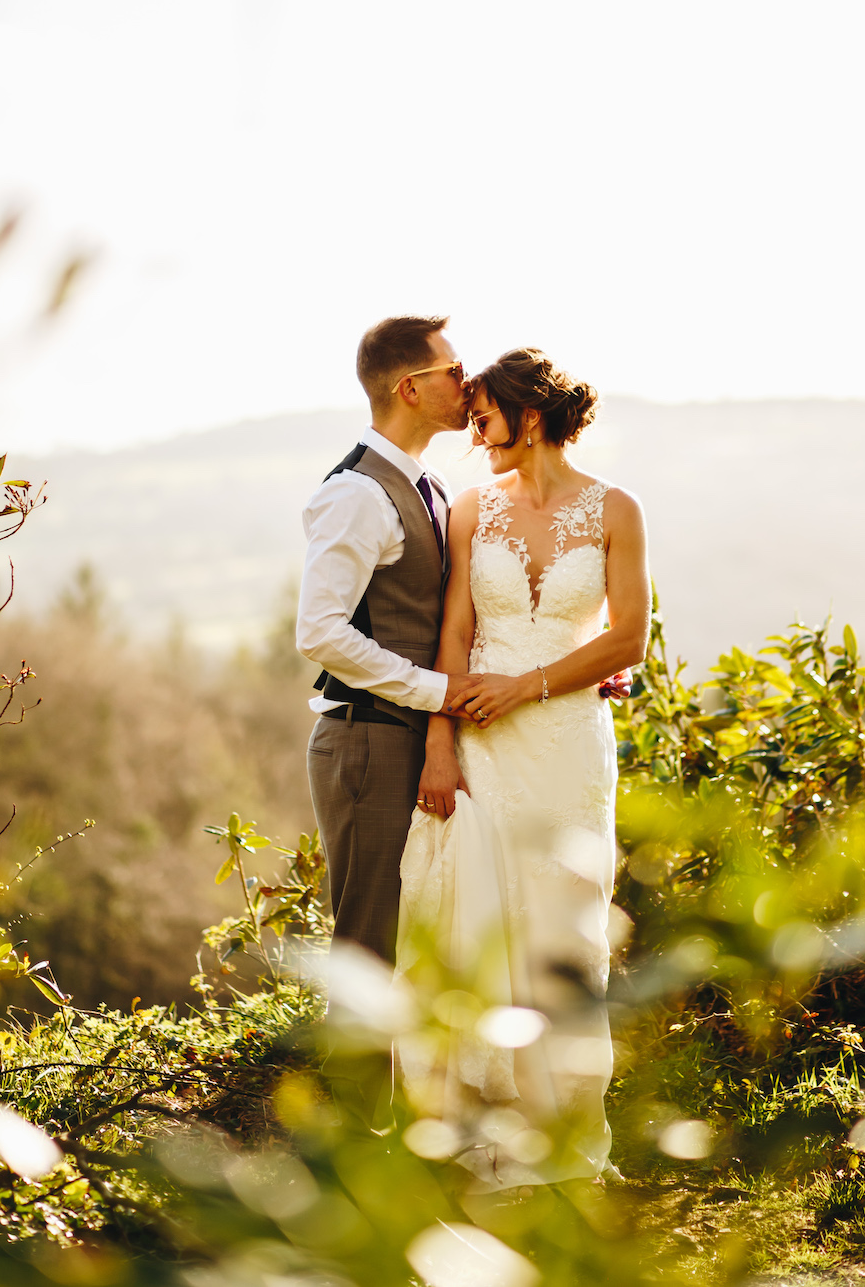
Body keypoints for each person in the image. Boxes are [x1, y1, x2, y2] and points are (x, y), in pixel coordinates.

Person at [395, 347, 650, 1186]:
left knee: (565, 922)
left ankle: (562, 1124)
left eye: (484, 418)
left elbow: (626, 640)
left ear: (527, 415)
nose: (475, 434)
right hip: (481, 737)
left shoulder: (616, 510)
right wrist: (439, 743)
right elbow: (454, 634)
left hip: (569, 740)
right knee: (484, 910)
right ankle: (481, 1118)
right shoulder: (472, 510)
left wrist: (529, 686)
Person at [296, 315, 483, 965]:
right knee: (367, 947)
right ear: (409, 387)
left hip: (410, 736)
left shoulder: (432, 485)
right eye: (454, 371)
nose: (468, 382)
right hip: (368, 742)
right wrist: (436, 693)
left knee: (415, 937)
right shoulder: (356, 493)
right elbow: (319, 631)